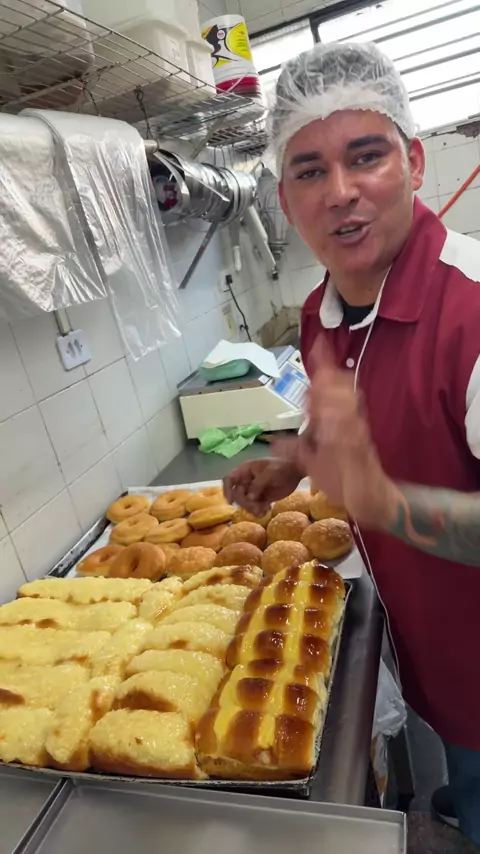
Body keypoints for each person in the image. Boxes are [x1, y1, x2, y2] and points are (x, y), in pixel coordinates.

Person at [223, 42, 480, 846]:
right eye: (310, 170)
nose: (340, 192)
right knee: (462, 762)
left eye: (366, 156)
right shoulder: (321, 312)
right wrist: (295, 462)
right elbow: (358, 410)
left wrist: (383, 503)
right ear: (284, 198)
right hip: (432, 648)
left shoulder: (472, 314)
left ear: (413, 162)